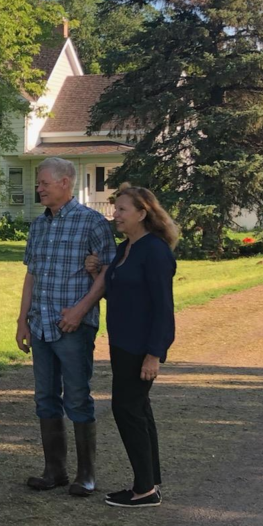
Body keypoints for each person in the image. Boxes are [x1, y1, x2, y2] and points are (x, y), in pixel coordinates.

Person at [17, 158, 116, 496]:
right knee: (45, 397)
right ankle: (54, 470)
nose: (39, 188)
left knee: (77, 397)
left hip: (74, 326)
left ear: (65, 183)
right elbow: (31, 274)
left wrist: (80, 311)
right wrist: (22, 320)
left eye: (44, 182)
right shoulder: (38, 226)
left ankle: (86, 474)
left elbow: (106, 274)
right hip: (40, 325)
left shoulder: (93, 224)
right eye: (38, 183)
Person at [87, 185, 178, 509]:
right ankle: (148, 483)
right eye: (116, 209)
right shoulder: (128, 248)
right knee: (138, 410)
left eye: (123, 210)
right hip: (123, 344)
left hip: (141, 347)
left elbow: (163, 308)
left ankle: (143, 490)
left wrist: (154, 353)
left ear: (142, 213)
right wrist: (98, 272)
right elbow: (125, 293)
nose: (116, 215)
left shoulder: (154, 250)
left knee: (127, 410)